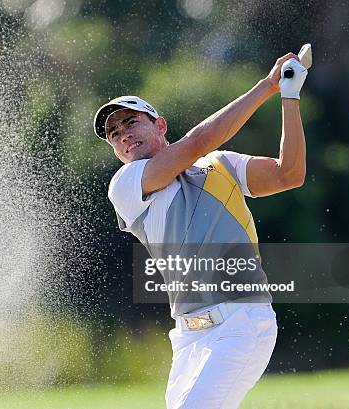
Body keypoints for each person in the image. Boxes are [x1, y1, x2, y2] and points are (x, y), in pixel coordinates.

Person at [93, 53, 308, 409]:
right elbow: (196, 144)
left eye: (131, 122)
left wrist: (288, 95)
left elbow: (290, 174)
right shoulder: (127, 185)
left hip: (241, 323)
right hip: (188, 339)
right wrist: (266, 86)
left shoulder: (222, 164)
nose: (123, 135)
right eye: (115, 134)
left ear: (159, 125)